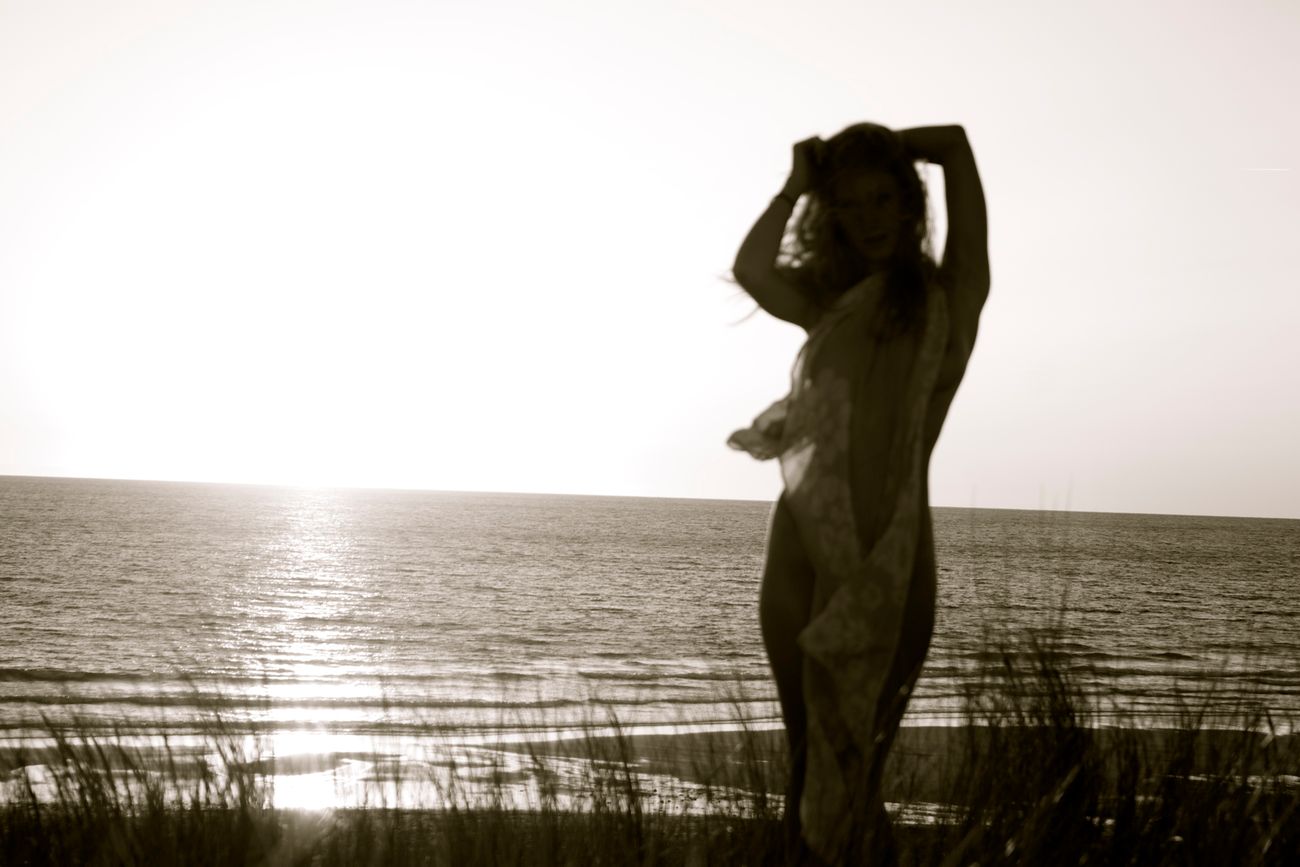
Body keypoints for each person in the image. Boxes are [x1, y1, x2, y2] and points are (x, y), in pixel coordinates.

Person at [727, 122, 989, 865]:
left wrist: (870, 146)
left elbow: (956, 145)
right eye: (850, 203)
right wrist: (799, 181)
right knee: (804, 766)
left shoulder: (953, 295)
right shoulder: (830, 303)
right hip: (801, 547)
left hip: (894, 556)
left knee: (859, 770)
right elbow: (751, 268)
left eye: (882, 199)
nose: (869, 217)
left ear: (909, 204)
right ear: (833, 214)